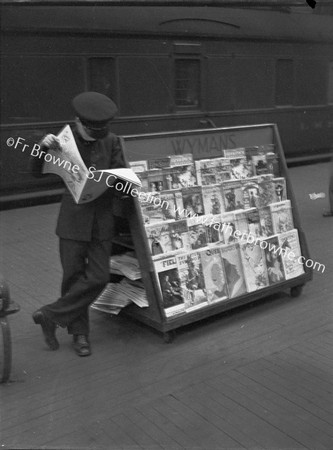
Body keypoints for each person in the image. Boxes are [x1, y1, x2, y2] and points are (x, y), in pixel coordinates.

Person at [31, 92, 126, 356]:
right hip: (73, 222)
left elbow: (119, 177)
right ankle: (80, 335)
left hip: (102, 221)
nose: (95, 136)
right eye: (89, 130)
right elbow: (36, 173)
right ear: (78, 121)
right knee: (72, 277)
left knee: (99, 276)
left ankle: (50, 315)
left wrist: (120, 183)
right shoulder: (62, 141)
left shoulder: (111, 140)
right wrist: (41, 149)